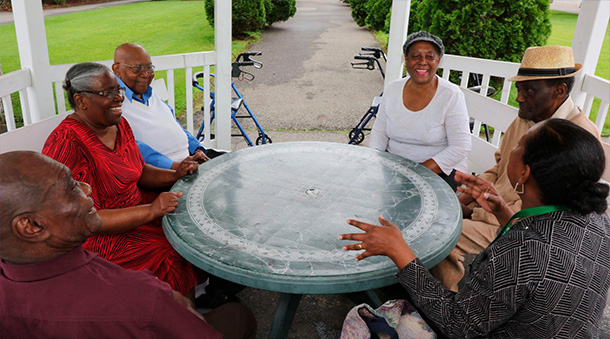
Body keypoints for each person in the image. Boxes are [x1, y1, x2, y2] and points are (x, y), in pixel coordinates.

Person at [340, 119, 610, 337]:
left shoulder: (522, 252)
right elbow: (543, 260)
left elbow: (458, 325)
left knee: (363, 320)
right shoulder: (599, 221)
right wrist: (504, 212)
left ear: (525, 173)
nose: (512, 150)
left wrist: (399, 252)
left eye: (518, 146)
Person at [0, 151, 256, 338]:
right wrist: (178, 308)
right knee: (237, 315)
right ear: (31, 226)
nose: (87, 188)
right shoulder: (138, 298)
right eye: (71, 186)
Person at [430, 45, 601, 292]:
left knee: (438, 236)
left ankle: (454, 305)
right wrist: (465, 196)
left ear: (560, 90)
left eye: (529, 91)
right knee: (433, 212)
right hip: (488, 210)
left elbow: (554, 216)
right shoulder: (526, 117)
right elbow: (499, 164)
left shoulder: (578, 138)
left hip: (521, 227)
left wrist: (477, 212)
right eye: (519, 90)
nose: (519, 98)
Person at [42, 62, 199, 297]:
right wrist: (151, 210)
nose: (119, 98)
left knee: (191, 226)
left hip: (140, 212)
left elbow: (138, 170)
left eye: (119, 91)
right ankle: (180, 320)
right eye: (108, 93)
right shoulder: (66, 144)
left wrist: (174, 174)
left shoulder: (119, 124)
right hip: (101, 238)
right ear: (81, 100)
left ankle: (198, 298)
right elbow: (84, 220)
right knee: (170, 252)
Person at [369, 31, 471, 191]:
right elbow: (379, 133)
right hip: (396, 167)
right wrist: (376, 163)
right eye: (416, 56)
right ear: (407, 60)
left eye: (430, 57)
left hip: (440, 170)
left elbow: (460, 146)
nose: (422, 62)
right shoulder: (392, 89)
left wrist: (416, 173)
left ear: (438, 61)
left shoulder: (451, 95)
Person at [112, 42, 224, 170]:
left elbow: (175, 125)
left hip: (189, 158)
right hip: (165, 172)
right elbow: (130, 147)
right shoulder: (113, 102)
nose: (146, 74)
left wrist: (198, 149)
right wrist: (176, 166)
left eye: (149, 68)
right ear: (117, 69)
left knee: (235, 167)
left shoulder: (149, 92)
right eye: (137, 68)